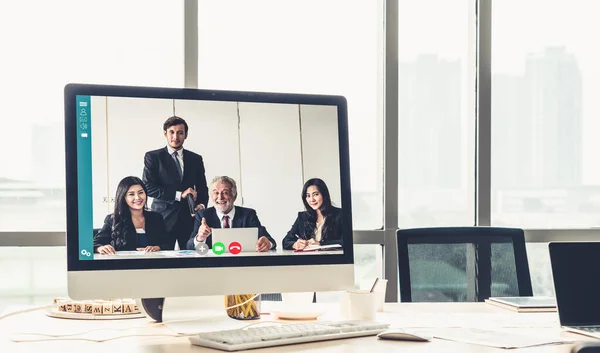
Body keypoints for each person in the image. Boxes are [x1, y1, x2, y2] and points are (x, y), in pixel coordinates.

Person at [142, 116, 209, 250]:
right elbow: (148, 187)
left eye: (180, 132)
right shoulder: (153, 157)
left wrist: (201, 204)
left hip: (189, 217)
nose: (175, 136)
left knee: (193, 256)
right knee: (162, 258)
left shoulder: (195, 158)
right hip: (162, 217)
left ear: (186, 135)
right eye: (171, 132)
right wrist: (179, 195)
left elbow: (202, 187)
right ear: (165, 133)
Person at [186, 176, 276, 252]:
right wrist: (199, 238)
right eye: (216, 193)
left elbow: (270, 241)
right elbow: (189, 246)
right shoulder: (203, 215)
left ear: (234, 195)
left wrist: (267, 243)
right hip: (213, 266)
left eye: (225, 192)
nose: (220, 197)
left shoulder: (248, 215)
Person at [94, 176, 170, 254]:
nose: (137, 197)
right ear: (123, 197)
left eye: (140, 192)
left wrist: (158, 248)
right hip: (125, 264)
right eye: (131, 194)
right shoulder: (113, 219)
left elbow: (167, 244)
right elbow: (96, 243)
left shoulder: (156, 217)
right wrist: (99, 248)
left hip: (153, 264)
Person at [282, 178, 343, 250]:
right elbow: (286, 241)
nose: (312, 199)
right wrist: (295, 244)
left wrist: (320, 243)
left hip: (332, 258)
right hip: (308, 259)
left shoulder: (340, 214)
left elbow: (346, 241)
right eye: (308, 196)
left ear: (324, 195)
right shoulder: (302, 217)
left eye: (316, 194)